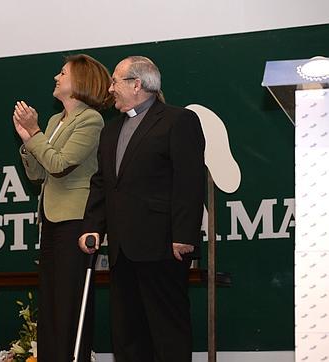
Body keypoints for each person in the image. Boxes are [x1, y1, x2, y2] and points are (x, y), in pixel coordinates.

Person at [79, 56, 205, 362]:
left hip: (163, 245)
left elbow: (189, 181)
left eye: (115, 81)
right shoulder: (110, 130)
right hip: (123, 249)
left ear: (137, 84)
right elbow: (103, 183)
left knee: (167, 329)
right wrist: (92, 226)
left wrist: (185, 234)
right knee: (127, 333)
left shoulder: (178, 120)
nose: (109, 89)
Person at [13, 54, 113, 362]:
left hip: (76, 222)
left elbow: (59, 165)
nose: (56, 78)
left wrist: (36, 135)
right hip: (52, 221)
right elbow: (37, 173)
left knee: (71, 305)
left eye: (63, 73)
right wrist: (28, 139)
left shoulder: (91, 120)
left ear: (80, 82)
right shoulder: (57, 121)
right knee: (52, 305)